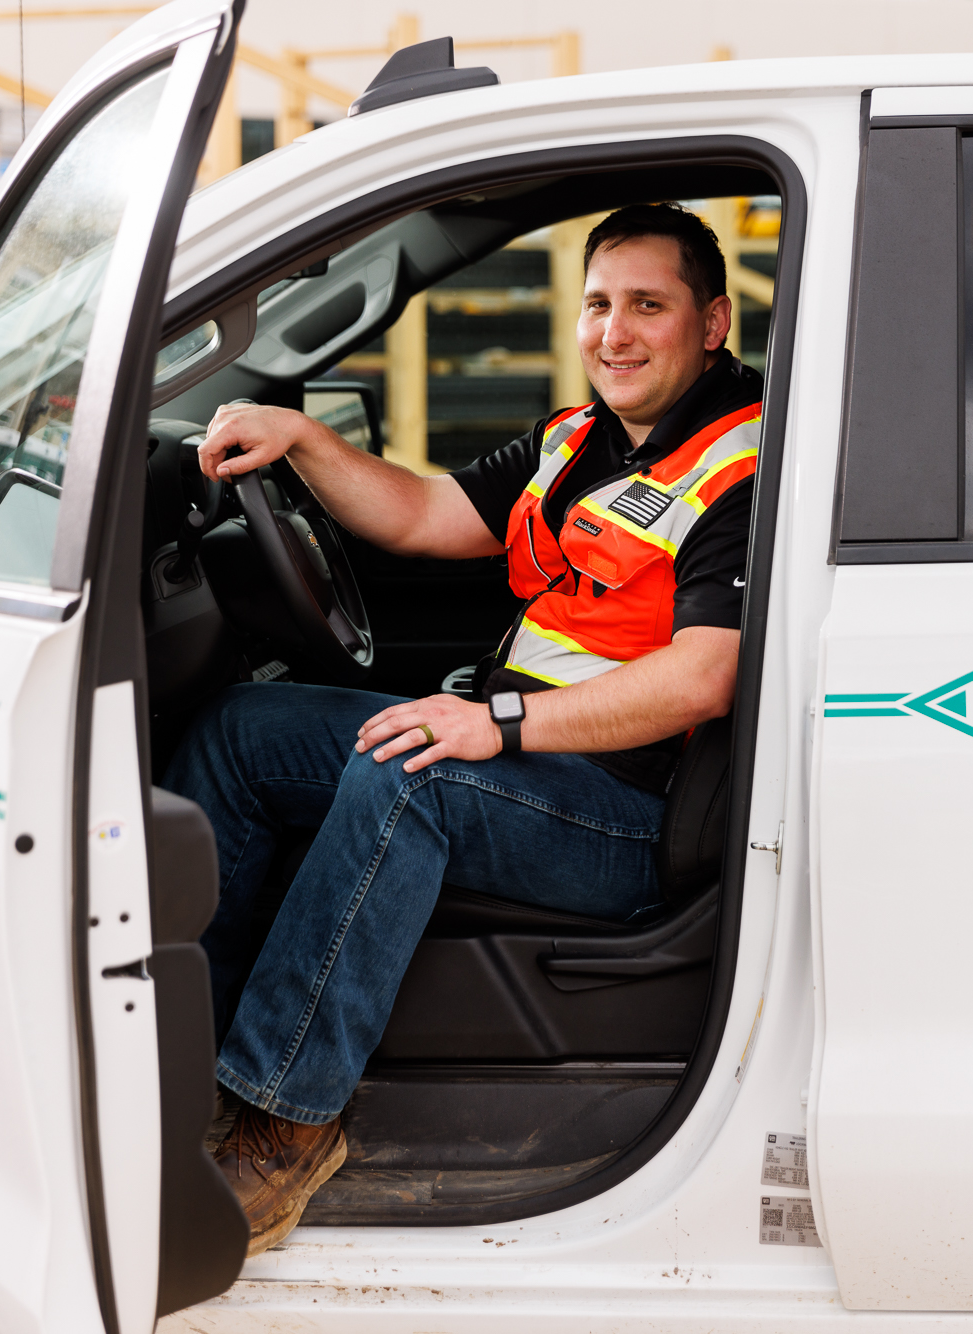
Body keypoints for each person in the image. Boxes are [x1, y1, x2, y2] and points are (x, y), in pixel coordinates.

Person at [164, 202, 764, 1253]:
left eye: (647, 307)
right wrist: (299, 438)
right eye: (597, 305)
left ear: (711, 322)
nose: (612, 333)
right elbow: (424, 514)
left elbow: (704, 677)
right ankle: (181, 1067)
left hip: (629, 807)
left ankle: (287, 1122)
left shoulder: (743, 463)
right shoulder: (580, 439)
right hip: (530, 754)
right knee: (242, 730)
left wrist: (498, 720)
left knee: (413, 773)